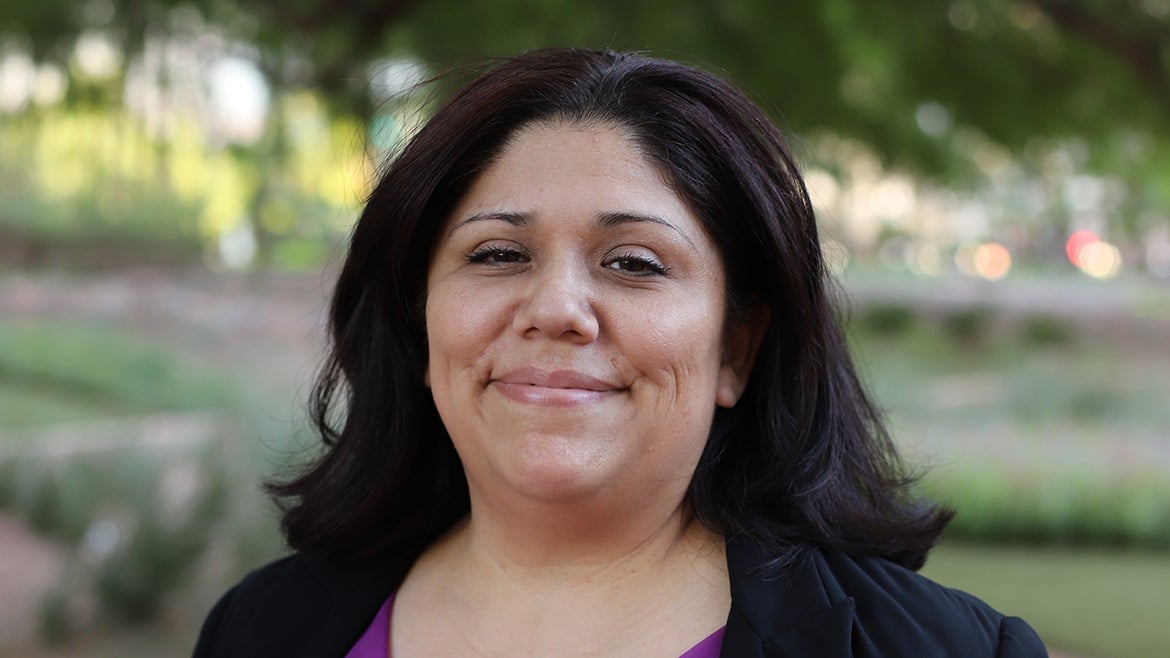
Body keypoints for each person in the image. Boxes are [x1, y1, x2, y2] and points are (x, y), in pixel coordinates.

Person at [194, 48, 1046, 657]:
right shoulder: (262, 629)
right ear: (420, 328)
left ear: (736, 351)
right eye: (497, 255)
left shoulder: (945, 649)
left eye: (634, 263)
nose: (558, 309)